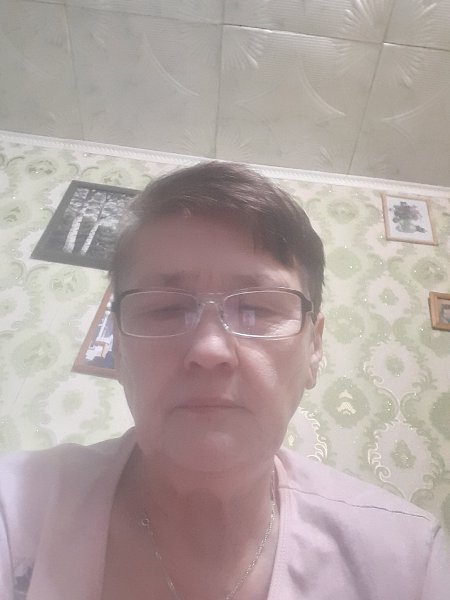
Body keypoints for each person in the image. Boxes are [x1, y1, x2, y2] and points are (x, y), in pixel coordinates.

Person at [1, 162, 449, 600]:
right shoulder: (15, 511)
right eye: (165, 308)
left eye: (257, 308)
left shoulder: (409, 560)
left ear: (314, 347)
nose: (209, 349)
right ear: (117, 346)